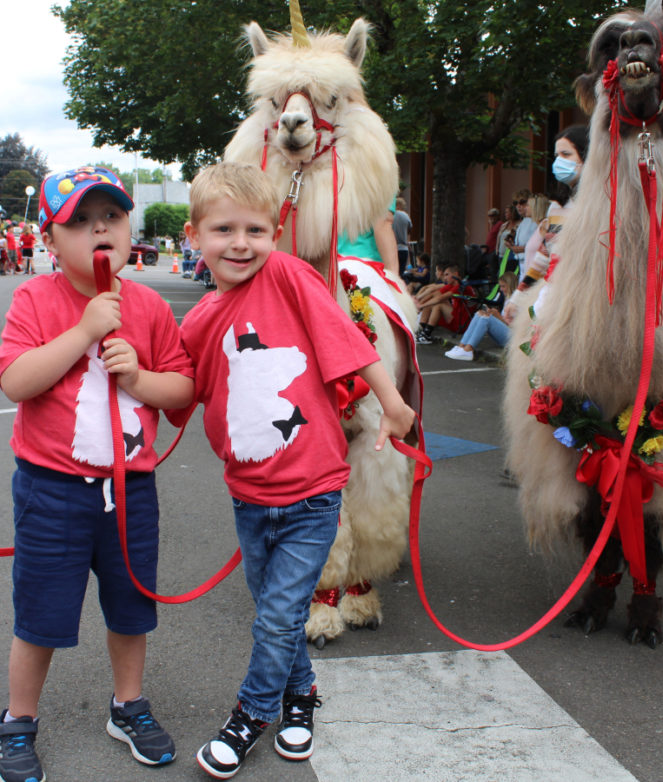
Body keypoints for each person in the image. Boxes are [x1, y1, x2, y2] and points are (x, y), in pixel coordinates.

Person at [178, 161, 415, 780]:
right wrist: (126, 376)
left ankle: (250, 715)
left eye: (255, 230)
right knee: (274, 614)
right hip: (248, 495)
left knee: (279, 615)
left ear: (276, 232)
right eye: (223, 229)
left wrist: (391, 402)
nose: (240, 243)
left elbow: (346, 339)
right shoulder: (200, 320)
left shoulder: (287, 276)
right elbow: (178, 391)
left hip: (312, 492)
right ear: (194, 235)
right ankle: (302, 695)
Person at [0, 166, 195, 782]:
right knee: (41, 615)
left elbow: (183, 388)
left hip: (130, 489)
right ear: (50, 242)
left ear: (129, 227)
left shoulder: (150, 306)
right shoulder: (36, 299)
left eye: (110, 217)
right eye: (78, 222)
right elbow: (15, 380)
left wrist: (138, 377)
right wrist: (83, 330)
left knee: (130, 607)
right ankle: (18, 719)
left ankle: (128, 704)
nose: (97, 230)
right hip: (51, 488)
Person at [510, 125, 588, 307]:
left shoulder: (601, 205)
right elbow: (545, 256)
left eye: (566, 154)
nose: (559, 161)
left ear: (586, 156)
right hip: (556, 297)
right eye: (557, 156)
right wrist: (518, 296)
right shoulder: (556, 208)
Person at [444, 271, 518, 360]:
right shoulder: (509, 299)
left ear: (510, 285)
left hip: (513, 339)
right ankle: (461, 346)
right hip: (506, 335)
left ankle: (468, 350)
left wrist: (498, 316)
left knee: (485, 319)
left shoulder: (517, 302)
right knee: (479, 314)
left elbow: (517, 329)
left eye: (503, 286)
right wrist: (493, 314)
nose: (501, 289)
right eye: (500, 286)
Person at [414, 263, 473, 344]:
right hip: (456, 316)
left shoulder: (461, 286)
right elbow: (434, 294)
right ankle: (421, 330)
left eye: (447, 275)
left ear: (455, 274)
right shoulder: (451, 285)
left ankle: (426, 335)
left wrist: (421, 305)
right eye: (444, 275)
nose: (445, 278)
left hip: (463, 323)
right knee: (432, 301)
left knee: (439, 304)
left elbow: (440, 298)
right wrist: (420, 303)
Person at [392, 197, 412, 277]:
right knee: (401, 273)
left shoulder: (390, 216)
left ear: (397, 206)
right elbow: (409, 230)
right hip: (403, 248)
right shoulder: (406, 216)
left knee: (392, 273)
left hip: (393, 248)